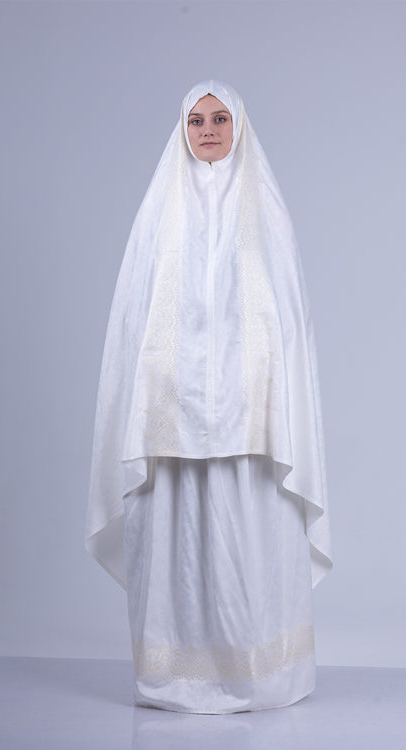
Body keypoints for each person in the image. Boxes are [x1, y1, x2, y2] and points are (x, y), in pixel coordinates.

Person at [85, 80, 332, 714]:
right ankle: (178, 674)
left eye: (221, 119)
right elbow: (134, 316)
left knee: (247, 531)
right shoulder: (158, 214)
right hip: (170, 406)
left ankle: (258, 673)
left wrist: (253, 381)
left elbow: (289, 317)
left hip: (251, 412)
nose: (209, 131)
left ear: (239, 126)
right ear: (183, 131)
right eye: (196, 121)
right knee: (176, 535)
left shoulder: (265, 211)